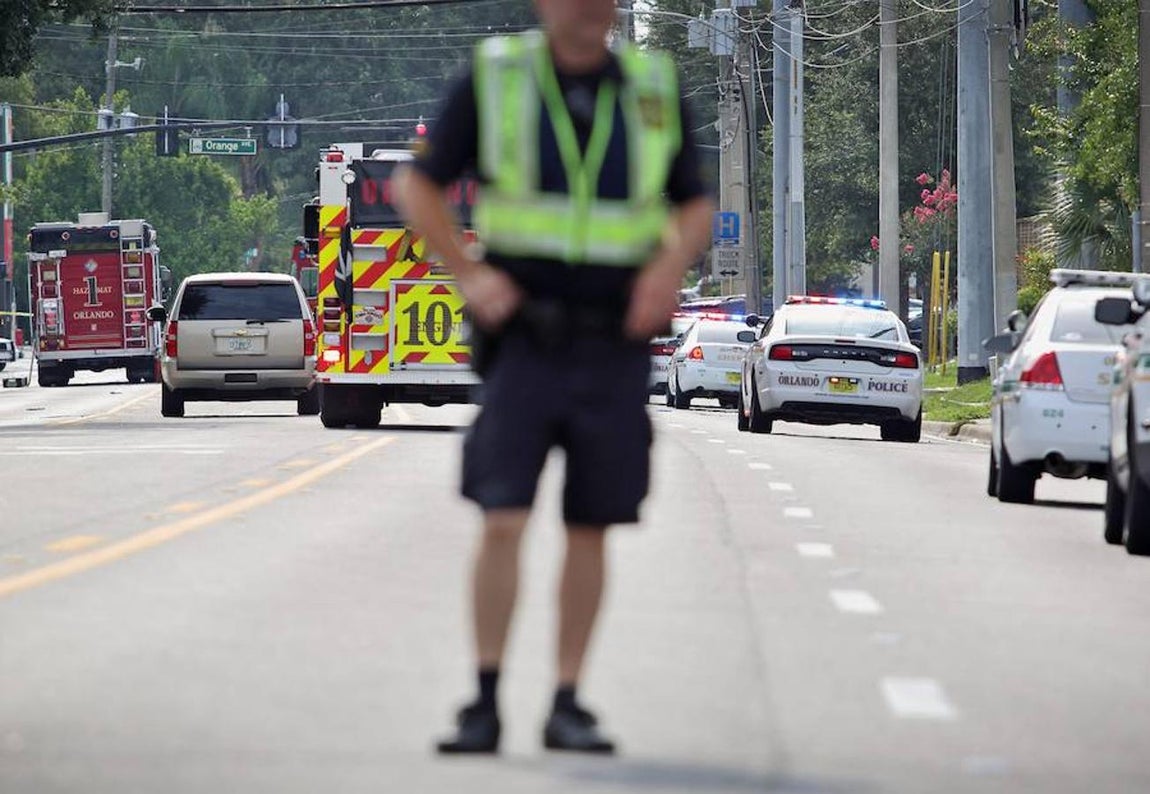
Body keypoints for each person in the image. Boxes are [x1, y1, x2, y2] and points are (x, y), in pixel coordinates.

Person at [396, 0, 714, 756]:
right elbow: (420, 185)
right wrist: (467, 273)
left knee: (590, 524)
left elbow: (696, 203)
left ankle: (567, 701)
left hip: (613, 343)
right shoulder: (498, 76)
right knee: (503, 515)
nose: (590, 8)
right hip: (526, 341)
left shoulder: (651, 86)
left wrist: (668, 267)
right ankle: (484, 701)